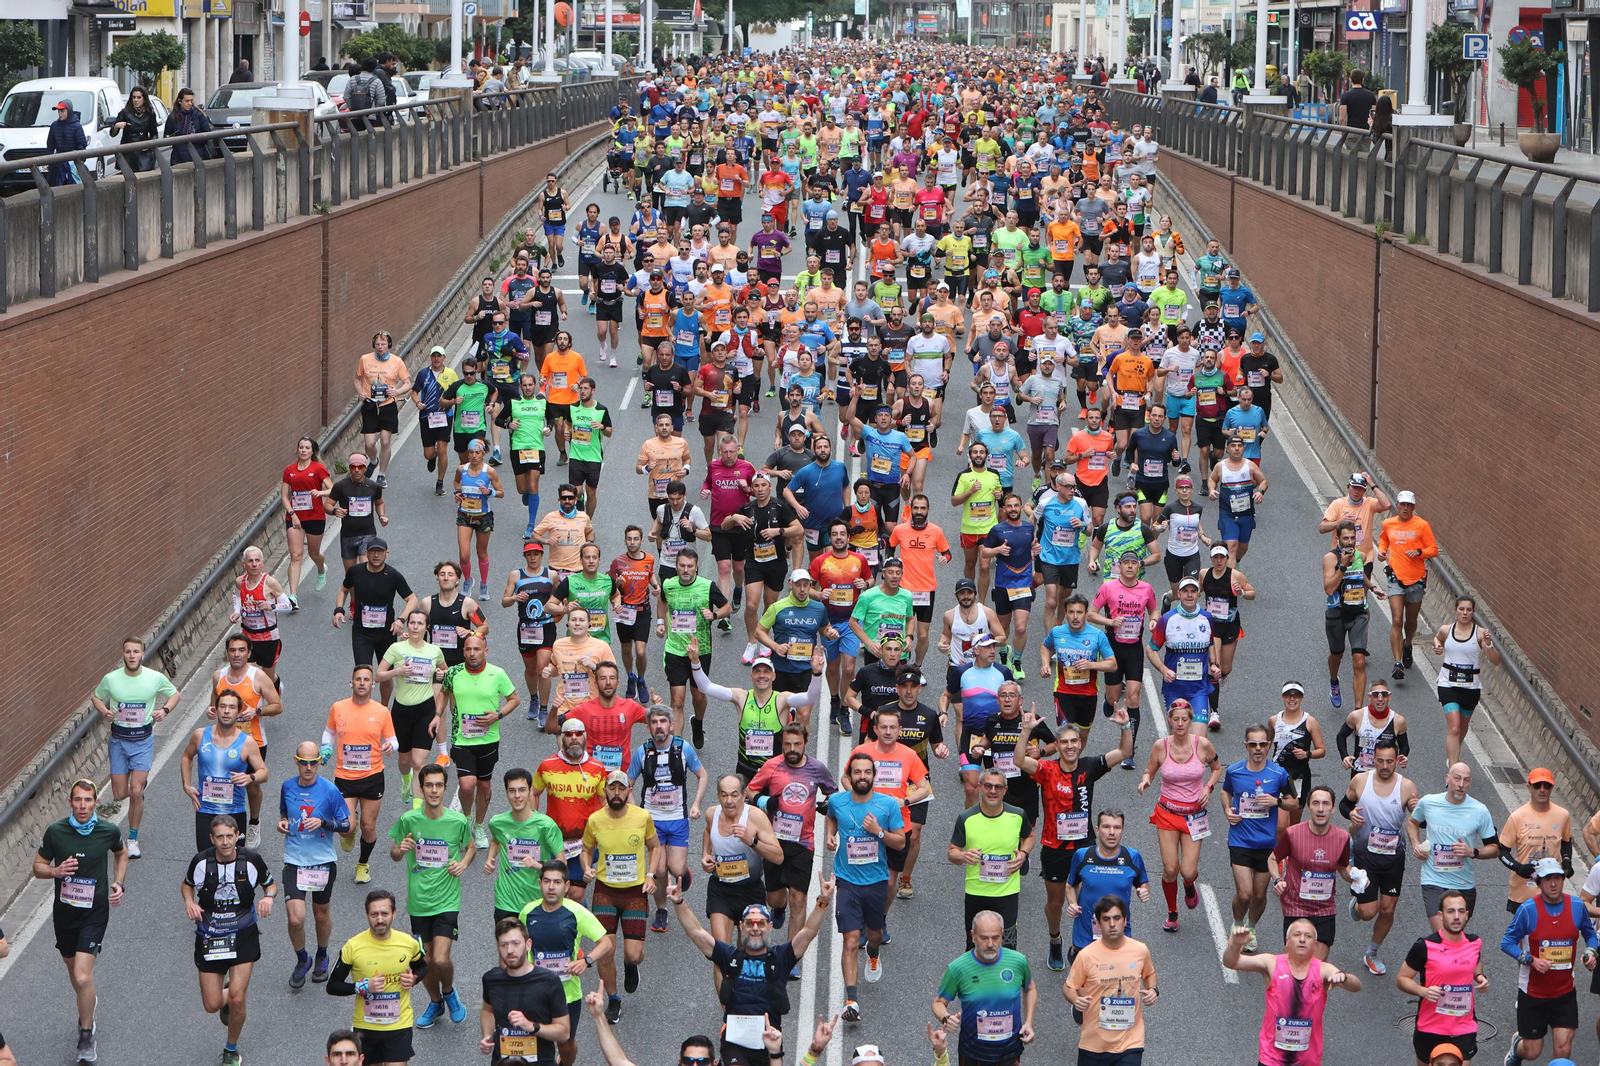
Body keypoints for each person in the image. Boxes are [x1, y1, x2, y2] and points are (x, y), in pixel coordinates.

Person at [669, 878, 836, 1066]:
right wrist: (679, 902)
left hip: (768, 1039)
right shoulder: (730, 956)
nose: (755, 928)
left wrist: (823, 901)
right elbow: (696, 932)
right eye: (749, 923)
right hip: (735, 1040)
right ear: (741, 927)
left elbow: (809, 931)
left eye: (761, 923)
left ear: (770, 926)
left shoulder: (780, 957)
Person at [33, 779, 127, 1064]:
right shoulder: (56, 832)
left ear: (97, 802)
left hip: (95, 912)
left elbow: (121, 853)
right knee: (77, 979)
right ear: (71, 802)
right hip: (65, 914)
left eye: (88, 800)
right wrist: (56, 871)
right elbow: (37, 868)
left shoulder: (108, 831)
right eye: (78, 800)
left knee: (83, 976)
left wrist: (119, 883)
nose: (83, 805)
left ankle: (86, 1034)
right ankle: (88, 1002)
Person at [182, 813, 277, 1066]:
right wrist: (189, 902)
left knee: (238, 997)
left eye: (229, 836)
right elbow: (187, 884)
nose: (225, 842)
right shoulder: (201, 862)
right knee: (212, 1005)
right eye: (219, 837)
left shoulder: (252, 860)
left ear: (237, 836)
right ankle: (226, 991)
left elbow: (271, 885)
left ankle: (230, 1049)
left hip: (243, 932)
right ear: (212, 838)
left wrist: (268, 897)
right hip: (210, 934)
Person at [388, 763, 476, 1029]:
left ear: (445, 788)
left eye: (439, 785)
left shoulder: (457, 821)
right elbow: (393, 853)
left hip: (447, 899)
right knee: (425, 962)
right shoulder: (409, 820)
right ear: (422, 788)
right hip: (418, 901)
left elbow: (470, 847)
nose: (434, 790)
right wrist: (400, 850)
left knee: (439, 958)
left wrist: (463, 863)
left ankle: (448, 992)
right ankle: (435, 1001)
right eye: (429, 785)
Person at [825, 751, 907, 1021]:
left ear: (874, 776)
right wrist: (830, 835)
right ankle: (852, 1001)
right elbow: (832, 815)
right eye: (857, 772)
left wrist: (879, 832)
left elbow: (900, 842)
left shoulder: (888, 805)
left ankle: (873, 952)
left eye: (867, 772)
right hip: (847, 881)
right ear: (849, 776)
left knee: (874, 935)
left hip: (876, 882)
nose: (862, 777)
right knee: (850, 941)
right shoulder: (837, 800)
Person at [1500, 857, 1600, 1065]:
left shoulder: (1576, 906)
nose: (1553, 884)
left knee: (1563, 1051)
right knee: (1532, 1051)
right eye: (1547, 879)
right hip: (1533, 993)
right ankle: (1517, 1048)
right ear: (1539, 883)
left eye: (1557, 878)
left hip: (1564, 992)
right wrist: (1529, 959)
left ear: (1563, 880)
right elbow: (1507, 942)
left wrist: (1591, 952)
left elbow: (1590, 933)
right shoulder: (1528, 910)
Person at [581, 771, 663, 1023]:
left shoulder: (642, 817)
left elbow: (655, 847)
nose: (617, 793)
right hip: (605, 891)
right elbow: (586, 849)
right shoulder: (595, 820)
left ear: (629, 790)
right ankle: (614, 999)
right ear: (604, 790)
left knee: (634, 953)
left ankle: (630, 965)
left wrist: (651, 875)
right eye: (612, 788)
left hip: (634, 892)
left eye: (622, 789)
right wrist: (586, 867)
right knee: (605, 951)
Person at [1224, 918, 1362, 1066]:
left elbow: (1356, 986)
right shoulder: (1271, 963)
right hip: (1271, 1058)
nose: (1302, 939)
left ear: (1315, 945)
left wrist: (1344, 978)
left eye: (1308, 936)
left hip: (1308, 1059)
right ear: (1287, 941)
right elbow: (1231, 962)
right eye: (1297, 935)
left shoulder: (1323, 970)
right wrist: (1236, 945)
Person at [91, 636, 181, 858]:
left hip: (142, 740)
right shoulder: (111, 679)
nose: (132, 655)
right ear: (123, 655)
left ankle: (132, 839)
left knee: (136, 791)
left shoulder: (154, 678)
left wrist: (164, 711)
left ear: (142, 654)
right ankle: (136, 793)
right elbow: (96, 697)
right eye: (128, 651)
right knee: (121, 794)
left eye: (136, 651)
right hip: (119, 741)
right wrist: (105, 712)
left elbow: (175, 694)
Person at [1136, 700, 1221, 933]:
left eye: (1185, 719)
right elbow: (1149, 770)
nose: (1180, 723)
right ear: (1169, 720)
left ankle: (1189, 883)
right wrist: (1145, 781)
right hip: (1167, 813)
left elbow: (1217, 768)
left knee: (1188, 871)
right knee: (1170, 868)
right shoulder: (1160, 746)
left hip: (1194, 816)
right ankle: (1172, 912)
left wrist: (1208, 788)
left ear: (1190, 721)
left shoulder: (1202, 745)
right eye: (1176, 719)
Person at [516, 860, 611, 1062]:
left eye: (557, 882)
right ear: (540, 882)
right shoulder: (527, 912)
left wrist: (586, 961)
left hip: (567, 994)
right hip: (535, 991)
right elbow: (518, 947)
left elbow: (605, 942)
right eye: (547, 881)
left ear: (566, 886)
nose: (551, 887)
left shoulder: (576, 913)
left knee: (566, 1045)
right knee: (536, 1041)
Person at [1342, 737, 1420, 976]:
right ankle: (1358, 904)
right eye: (1380, 761)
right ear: (1372, 760)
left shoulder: (1407, 786)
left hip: (1394, 857)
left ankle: (1372, 953)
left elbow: (1419, 819)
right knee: (1368, 913)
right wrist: (1351, 814)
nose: (1385, 766)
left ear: (1397, 760)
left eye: (1389, 761)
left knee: (1387, 910)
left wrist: (1418, 810)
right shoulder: (1360, 780)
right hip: (1365, 855)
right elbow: (1344, 805)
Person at [280, 740, 353, 988]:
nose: (309, 767)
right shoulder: (287, 787)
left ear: (319, 762)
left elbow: (347, 826)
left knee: (320, 914)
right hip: (294, 861)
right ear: (296, 762)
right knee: (295, 919)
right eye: (304, 763)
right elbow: (284, 813)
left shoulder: (330, 791)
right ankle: (303, 958)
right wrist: (282, 823)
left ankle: (322, 953)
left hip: (322, 861)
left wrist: (324, 823)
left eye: (314, 762)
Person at [327, 889, 429, 1066]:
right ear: (367, 914)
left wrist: (413, 978)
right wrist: (362, 987)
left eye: (384, 913)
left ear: (394, 914)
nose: (380, 919)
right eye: (374, 914)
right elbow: (333, 986)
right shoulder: (353, 946)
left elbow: (422, 967)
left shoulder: (408, 943)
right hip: (366, 1027)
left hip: (399, 1025)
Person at [1222, 725, 1299, 954]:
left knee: (1259, 894)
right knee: (1244, 893)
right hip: (1240, 841)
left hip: (1266, 844)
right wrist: (1227, 809)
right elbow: (1225, 791)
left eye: (1263, 744)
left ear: (1268, 746)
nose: (1258, 749)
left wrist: (1277, 802)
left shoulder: (1278, 774)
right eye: (1253, 744)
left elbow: (1295, 801)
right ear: (1246, 745)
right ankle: (1237, 925)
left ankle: (1252, 928)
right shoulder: (1235, 771)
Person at [932, 910, 1038, 1066]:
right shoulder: (958, 968)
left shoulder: (1017, 961)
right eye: (984, 938)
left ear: (1002, 934)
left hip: (1009, 1051)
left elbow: (1030, 988)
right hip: (974, 1053)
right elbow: (938, 1003)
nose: (990, 944)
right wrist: (947, 1018)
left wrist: (1029, 1022)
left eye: (995, 938)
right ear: (973, 935)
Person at [322, 665, 397, 884]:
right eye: (358, 679)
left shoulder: (381, 711)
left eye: (366, 679)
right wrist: (326, 748)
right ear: (351, 683)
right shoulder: (338, 707)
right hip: (345, 776)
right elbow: (329, 732)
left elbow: (393, 739)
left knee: (369, 826)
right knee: (347, 828)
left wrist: (391, 746)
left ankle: (363, 864)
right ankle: (350, 832)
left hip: (373, 776)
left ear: (373, 685)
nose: (362, 683)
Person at [1396, 890, 1489, 1066]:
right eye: (1450, 911)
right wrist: (1422, 991)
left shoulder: (1474, 942)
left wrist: (1479, 976)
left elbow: (1475, 962)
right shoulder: (1424, 946)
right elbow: (1401, 978)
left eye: (1461, 911)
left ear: (1467, 915)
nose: (1456, 917)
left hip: (1464, 1025)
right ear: (1440, 915)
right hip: (1430, 1026)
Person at [1062, 896, 1157, 1066]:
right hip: (1093, 1044)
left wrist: (1153, 990)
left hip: (1130, 1043)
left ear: (1125, 920)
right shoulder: (1086, 955)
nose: (1112, 924)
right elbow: (1069, 987)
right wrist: (1076, 999)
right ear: (1098, 923)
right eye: (1106, 919)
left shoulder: (1140, 950)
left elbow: (1149, 974)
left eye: (1117, 918)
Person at [948, 767, 1034, 951]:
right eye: (987, 786)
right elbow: (952, 852)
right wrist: (963, 856)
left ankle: (1006, 979)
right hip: (976, 892)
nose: (992, 791)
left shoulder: (1017, 815)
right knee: (974, 946)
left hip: (1007, 893)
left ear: (1005, 790)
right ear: (979, 787)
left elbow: (1029, 836)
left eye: (998, 787)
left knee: (1008, 946)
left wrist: (1024, 854)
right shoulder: (966, 818)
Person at [181, 690, 267, 852]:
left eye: (232, 707)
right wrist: (186, 785)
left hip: (234, 812)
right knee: (207, 860)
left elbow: (264, 772)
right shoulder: (200, 735)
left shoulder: (247, 742)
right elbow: (187, 756)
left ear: (239, 712)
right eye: (223, 706)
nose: (227, 711)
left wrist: (250, 777)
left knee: (234, 863)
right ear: (215, 709)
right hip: (205, 810)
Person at [483, 767, 566, 924]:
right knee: (509, 947)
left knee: (535, 948)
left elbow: (562, 864)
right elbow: (496, 840)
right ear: (506, 793)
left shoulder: (546, 825)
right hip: (506, 900)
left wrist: (537, 865)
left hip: (537, 900)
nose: (517, 796)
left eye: (522, 790)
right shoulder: (498, 822)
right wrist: (490, 858)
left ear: (530, 791)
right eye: (512, 791)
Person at [1376, 491, 1439, 680]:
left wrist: (1419, 552)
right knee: (1397, 620)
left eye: (1409, 505)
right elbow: (1384, 539)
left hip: (1416, 579)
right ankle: (1397, 663)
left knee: (1410, 620)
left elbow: (1433, 550)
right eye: (1402, 504)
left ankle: (1408, 643)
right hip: (1395, 578)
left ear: (1414, 507)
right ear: (1397, 505)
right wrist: (1381, 551)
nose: (1405, 508)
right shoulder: (1388, 523)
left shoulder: (1422, 526)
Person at [1433, 596, 1501, 767]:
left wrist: (1488, 644)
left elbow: (1495, 660)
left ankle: (1454, 751)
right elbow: (1438, 638)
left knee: (1462, 728)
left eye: (1468, 610)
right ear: (1456, 610)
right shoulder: (1446, 629)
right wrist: (1437, 646)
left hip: (1471, 687)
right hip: (1447, 684)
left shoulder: (1479, 633)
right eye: (1461, 609)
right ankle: (1454, 770)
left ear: (1473, 612)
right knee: (1454, 727)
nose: (1465, 613)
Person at [1499, 768, 1573, 917]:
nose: (1542, 790)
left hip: (1552, 890)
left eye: (1547, 786)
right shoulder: (1517, 817)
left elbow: (1566, 841)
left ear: (1552, 788)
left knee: (1549, 937)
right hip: (1523, 892)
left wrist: (1567, 862)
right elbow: (1501, 851)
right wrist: (1518, 867)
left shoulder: (1562, 815)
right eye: (1537, 785)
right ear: (1529, 787)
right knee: (1526, 938)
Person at [45, 98, 87, 186]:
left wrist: (79, 162)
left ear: (69, 110)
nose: (60, 113)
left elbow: (81, 145)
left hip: (72, 164)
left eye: (62, 111)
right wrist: (49, 160)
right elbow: (50, 145)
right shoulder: (54, 125)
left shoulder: (77, 126)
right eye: (59, 111)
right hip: (57, 164)